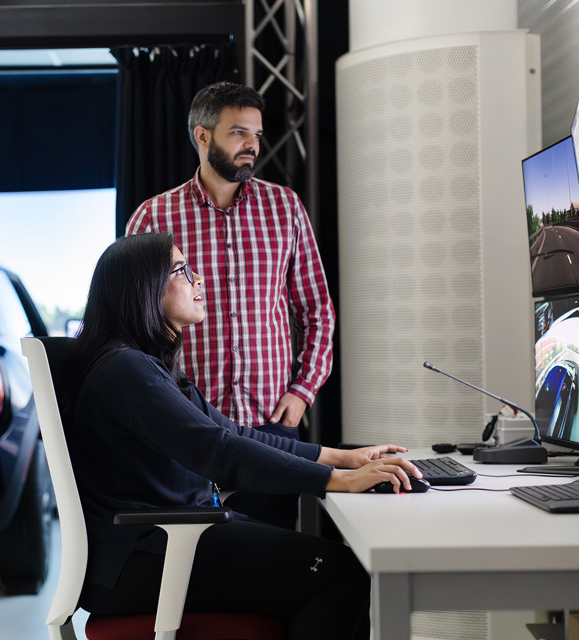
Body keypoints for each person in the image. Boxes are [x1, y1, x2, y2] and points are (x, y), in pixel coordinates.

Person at [62, 233, 420, 640]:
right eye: (183, 271)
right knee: (341, 574)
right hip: (144, 556)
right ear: (143, 289)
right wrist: (333, 481)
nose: (199, 280)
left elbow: (232, 433)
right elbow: (220, 452)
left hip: (163, 542)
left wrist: (341, 459)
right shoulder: (126, 370)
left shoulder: (145, 365)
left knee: (333, 570)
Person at [125, 81, 335, 433]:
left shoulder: (286, 208)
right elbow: (132, 320)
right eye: (239, 133)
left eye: (257, 134)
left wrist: (303, 390)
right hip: (187, 422)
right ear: (203, 137)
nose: (252, 144)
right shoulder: (153, 217)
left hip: (271, 422)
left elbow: (317, 310)